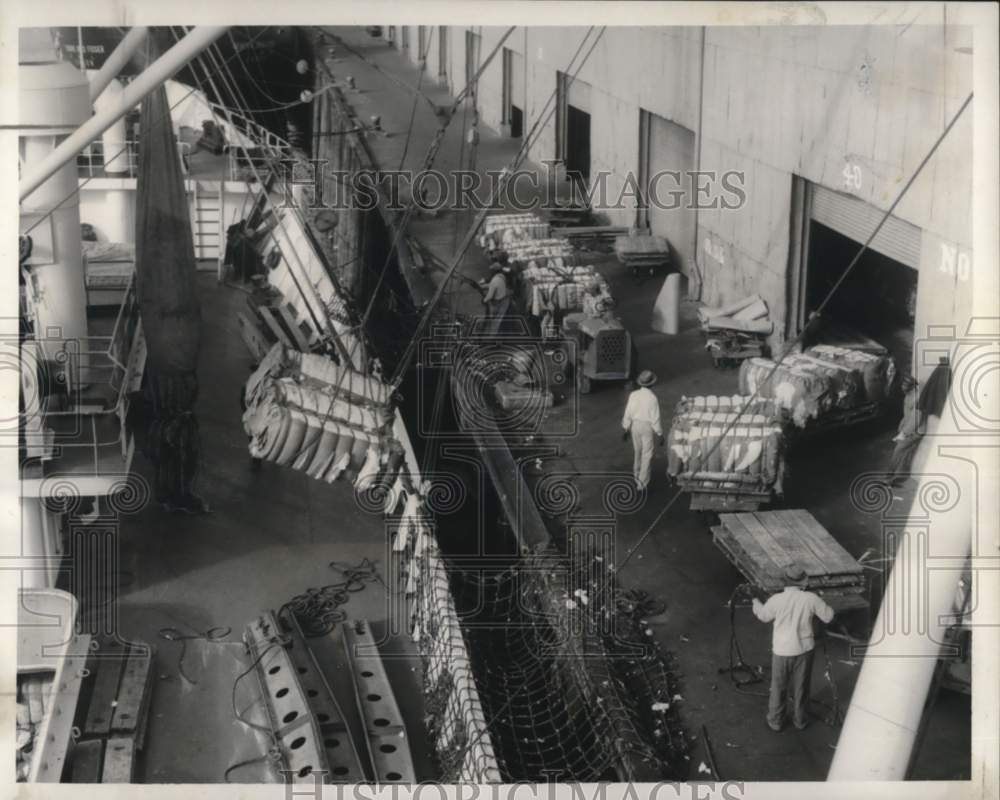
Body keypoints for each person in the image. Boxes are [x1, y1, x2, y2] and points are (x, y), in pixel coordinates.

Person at [752, 566, 835, 732]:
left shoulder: (776, 600)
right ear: (803, 583)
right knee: (801, 687)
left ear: (785, 581)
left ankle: (776, 721)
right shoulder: (811, 598)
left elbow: (763, 616)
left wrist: (755, 602)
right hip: (804, 650)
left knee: (778, 687)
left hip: (782, 651)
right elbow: (828, 616)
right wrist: (824, 603)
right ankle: (800, 720)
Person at [887, 359, 951, 486]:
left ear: (910, 386)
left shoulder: (917, 397)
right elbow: (907, 414)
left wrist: (903, 433)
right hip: (910, 428)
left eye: (903, 386)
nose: (901, 388)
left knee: (899, 451)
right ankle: (896, 478)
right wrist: (901, 427)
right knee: (905, 454)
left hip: (915, 430)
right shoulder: (909, 394)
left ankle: (888, 478)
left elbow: (916, 418)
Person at [621, 370, 664, 490]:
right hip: (647, 427)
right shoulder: (652, 398)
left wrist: (626, 429)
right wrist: (660, 434)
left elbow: (628, 412)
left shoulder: (633, 395)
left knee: (638, 452)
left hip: (635, 426)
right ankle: (642, 483)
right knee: (647, 454)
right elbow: (655, 418)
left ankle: (637, 477)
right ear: (652, 384)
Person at [481, 255, 510, 334]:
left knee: (495, 321)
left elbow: (489, 296)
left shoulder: (494, 281)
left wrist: (484, 300)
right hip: (505, 299)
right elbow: (493, 285)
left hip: (498, 302)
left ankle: (493, 336)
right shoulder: (502, 276)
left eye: (492, 270)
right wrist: (484, 286)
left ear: (494, 271)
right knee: (501, 318)